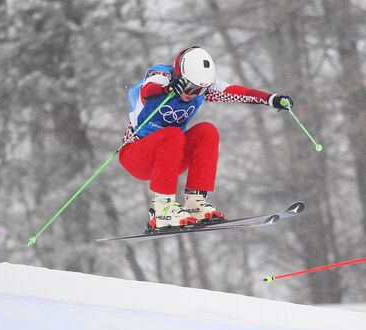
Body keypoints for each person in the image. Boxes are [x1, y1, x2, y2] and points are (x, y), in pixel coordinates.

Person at [119, 46, 293, 230]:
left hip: (169, 158)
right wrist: (168, 88)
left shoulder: (202, 89)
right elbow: (148, 90)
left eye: (199, 90)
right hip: (137, 155)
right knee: (173, 134)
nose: (192, 93)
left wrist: (270, 99)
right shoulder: (162, 76)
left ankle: (195, 203)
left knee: (206, 131)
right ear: (180, 76)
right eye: (189, 86)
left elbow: (237, 92)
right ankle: (163, 209)